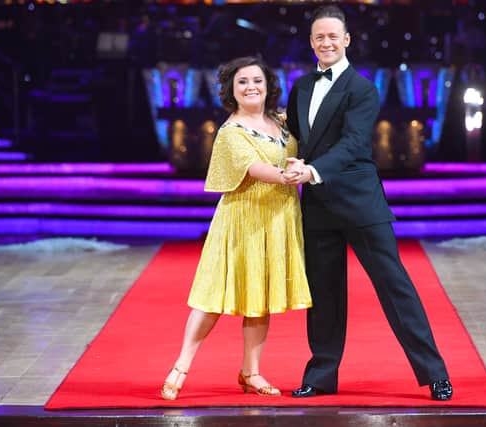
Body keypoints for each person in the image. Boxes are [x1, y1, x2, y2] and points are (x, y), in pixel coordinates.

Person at [284, 5, 453, 401]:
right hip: (318, 206)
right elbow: (295, 137)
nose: (326, 42)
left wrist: (312, 171)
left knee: (396, 287)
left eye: (332, 36)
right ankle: (321, 375)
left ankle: (434, 373)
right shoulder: (302, 86)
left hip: (361, 203)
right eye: (318, 37)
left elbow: (354, 145)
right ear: (311, 43)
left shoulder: (362, 88)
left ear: (346, 40)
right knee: (323, 295)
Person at [161, 56, 312, 400]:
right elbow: (256, 168)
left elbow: (308, 144)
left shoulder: (283, 122)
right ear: (231, 90)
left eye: (257, 80)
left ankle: (251, 372)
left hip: (278, 219)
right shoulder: (231, 131)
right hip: (241, 221)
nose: (251, 87)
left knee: (260, 298)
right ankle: (181, 366)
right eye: (242, 82)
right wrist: (292, 174)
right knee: (213, 296)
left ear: (268, 85)